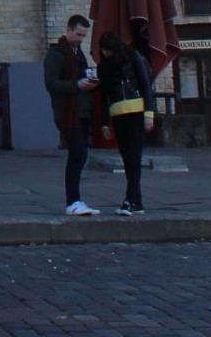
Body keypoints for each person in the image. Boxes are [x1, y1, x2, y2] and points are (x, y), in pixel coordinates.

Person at [43, 14, 100, 215]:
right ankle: (73, 201)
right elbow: (51, 83)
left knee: (79, 154)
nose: (81, 39)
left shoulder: (78, 53)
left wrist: (90, 80)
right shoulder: (56, 54)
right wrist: (77, 84)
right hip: (67, 112)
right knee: (78, 153)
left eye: (84, 35)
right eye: (78, 34)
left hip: (81, 110)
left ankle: (75, 200)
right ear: (68, 30)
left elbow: (80, 76)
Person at [97, 30, 153, 215]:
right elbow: (104, 96)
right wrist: (104, 123)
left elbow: (145, 85)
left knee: (133, 157)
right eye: (103, 50)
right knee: (127, 158)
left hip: (136, 111)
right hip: (117, 114)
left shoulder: (132, 57)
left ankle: (130, 199)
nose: (106, 53)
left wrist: (149, 113)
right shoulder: (103, 67)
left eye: (108, 49)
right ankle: (136, 201)